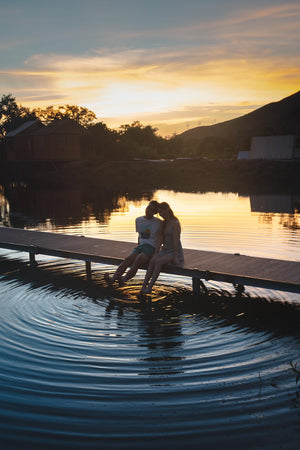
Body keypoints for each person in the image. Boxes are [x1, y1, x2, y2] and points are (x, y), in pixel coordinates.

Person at [104, 200, 163, 286]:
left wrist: (156, 252)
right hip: (141, 246)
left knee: (138, 259)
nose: (148, 210)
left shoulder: (158, 222)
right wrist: (138, 247)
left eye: (152, 209)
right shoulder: (139, 220)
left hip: (151, 247)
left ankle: (123, 279)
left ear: (155, 212)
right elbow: (140, 235)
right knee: (128, 259)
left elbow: (161, 238)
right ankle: (112, 280)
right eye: (148, 207)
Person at [139, 202, 184, 295]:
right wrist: (156, 252)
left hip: (174, 251)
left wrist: (175, 257)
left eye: (161, 212)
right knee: (152, 261)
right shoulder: (163, 223)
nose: (160, 215)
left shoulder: (175, 223)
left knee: (159, 262)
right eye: (159, 213)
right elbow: (160, 239)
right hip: (165, 250)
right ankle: (143, 287)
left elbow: (176, 241)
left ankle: (150, 287)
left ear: (166, 210)